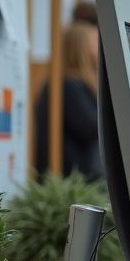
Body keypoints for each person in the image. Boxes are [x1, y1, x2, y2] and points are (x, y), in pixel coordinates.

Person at [32, 21, 102, 181]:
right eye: (95, 42)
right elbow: (93, 127)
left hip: (76, 177)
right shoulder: (67, 85)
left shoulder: (74, 84)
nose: (100, 47)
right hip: (68, 181)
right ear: (80, 47)